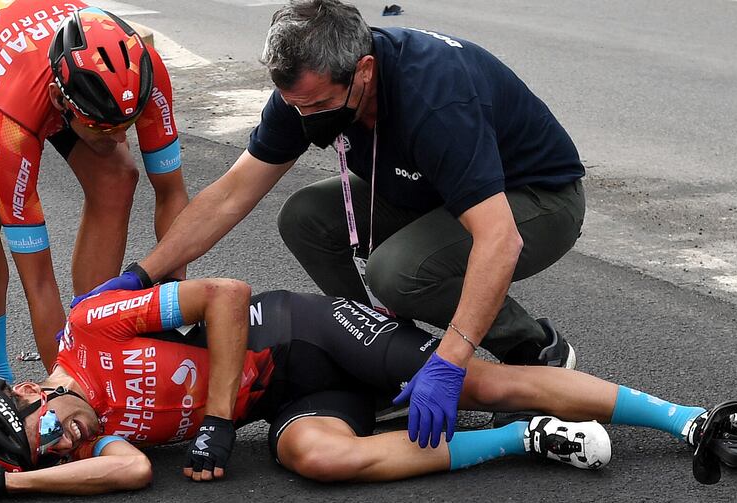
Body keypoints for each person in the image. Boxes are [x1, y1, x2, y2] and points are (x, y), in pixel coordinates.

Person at [76, 0, 589, 450]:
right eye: (297, 106)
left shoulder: (434, 98)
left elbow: (499, 237)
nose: (307, 118)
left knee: (399, 273)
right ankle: (381, 359)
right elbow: (232, 194)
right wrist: (142, 275)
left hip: (536, 201)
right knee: (305, 218)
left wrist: (452, 361)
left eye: (319, 106)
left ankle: (534, 349)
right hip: (431, 192)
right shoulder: (307, 90)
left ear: (364, 70)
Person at [0, 279, 714, 497]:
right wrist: (9, 485)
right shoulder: (104, 434)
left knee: (484, 381)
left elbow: (223, 293)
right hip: (291, 400)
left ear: (30, 389)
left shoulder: (89, 330)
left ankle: (684, 419)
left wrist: (216, 420)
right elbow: (131, 469)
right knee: (321, 460)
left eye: (53, 433)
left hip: (304, 329)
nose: (71, 443)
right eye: (53, 456)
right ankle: (526, 441)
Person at [0, 0, 190, 380]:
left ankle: (96, 332)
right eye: (104, 128)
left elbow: (172, 193)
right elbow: (38, 280)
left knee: (117, 175)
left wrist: (176, 305)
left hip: (40, 58)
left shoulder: (144, 66)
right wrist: (67, 389)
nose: (119, 137)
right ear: (58, 100)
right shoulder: (14, 120)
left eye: (126, 124)